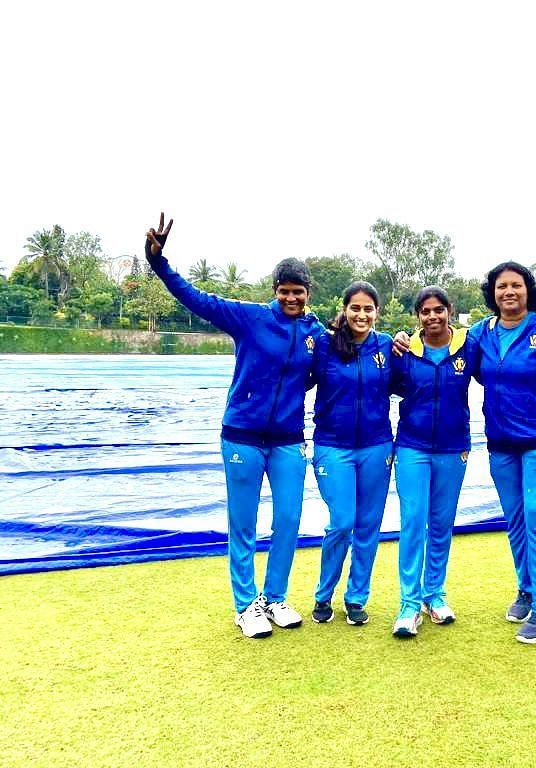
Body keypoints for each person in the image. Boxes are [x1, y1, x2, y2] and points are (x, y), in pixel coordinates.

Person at [144, 213, 325, 639]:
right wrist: (158, 262)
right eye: (285, 292)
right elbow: (195, 298)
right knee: (243, 522)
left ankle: (274, 598)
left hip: (288, 440)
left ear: (308, 293)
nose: (292, 299)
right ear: (274, 292)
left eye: (298, 292)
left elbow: (323, 369)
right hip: (242, 436)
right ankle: (246, 606)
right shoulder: (248, 318)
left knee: (289, 519)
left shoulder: (315, 332)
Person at [470, 262, 536, 644]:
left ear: (528, 290)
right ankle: (528, 590)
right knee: (516, 521)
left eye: (516, 285)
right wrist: (405, 339)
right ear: (492, 292)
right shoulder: (481, 333)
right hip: (501, 444)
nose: (509, 292)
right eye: (501, 286)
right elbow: (445, 351)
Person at [388, 286, 479, 637]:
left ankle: (434, 595)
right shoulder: (404, 350)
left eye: (438, 310)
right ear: (417, 316)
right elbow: (385, 383)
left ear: (449, 310)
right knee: (413, 522)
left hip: (454, 447)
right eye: (425, 312)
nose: (432, 317)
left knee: (441, 524)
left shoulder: (469, 346)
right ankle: (409, 604)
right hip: (412, 446)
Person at [309, 281, 395, 627]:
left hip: (376, 446)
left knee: (368, 526)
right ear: (344, 309)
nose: (362, 314)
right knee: (342, 522)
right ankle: (323, 594)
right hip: (333, 447)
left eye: (368, 308)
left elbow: (406, 383)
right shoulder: (324, 346)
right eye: (355, 308)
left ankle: (357, 597)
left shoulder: (387, 346)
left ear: (377, 312)